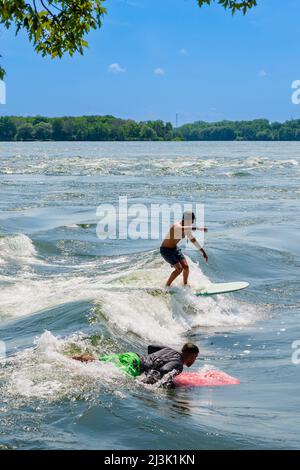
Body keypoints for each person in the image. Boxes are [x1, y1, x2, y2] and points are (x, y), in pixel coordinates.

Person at [72, 342, 199, 389]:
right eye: (195, 358)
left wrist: (155, 360)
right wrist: (171, 387)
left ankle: (69, 358)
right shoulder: (178, 364)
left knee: (95, 361)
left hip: (132, 356)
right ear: (192, 356)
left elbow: (151, 347)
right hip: (133, 366)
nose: (195, 360)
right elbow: (164, 370)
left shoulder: (170, 350)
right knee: (102, 375)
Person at [160, 211, 208, 287]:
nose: (191, 223)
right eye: (191, 221)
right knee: (179, 269)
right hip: (166, 250)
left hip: (174, 249)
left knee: (186, 267)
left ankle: (185, 284)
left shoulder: (186, 229)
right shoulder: (176, 226)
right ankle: (167, 286)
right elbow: (181, 228)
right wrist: (199, 228)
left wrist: (203, 251)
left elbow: (193, 240)